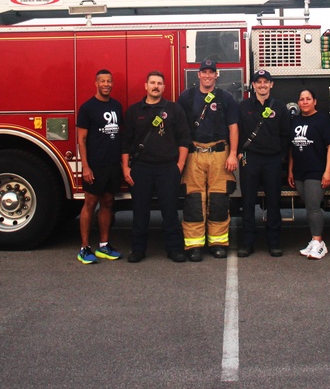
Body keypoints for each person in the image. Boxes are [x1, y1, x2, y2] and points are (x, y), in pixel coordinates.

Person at [121, 71, 190, 264]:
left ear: (164, 87)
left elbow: (184, 138)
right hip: (141, 168)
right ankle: (138, 249)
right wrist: (126, 168)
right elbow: (125, 142)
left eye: (159, 83)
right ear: (146, 86)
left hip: (168, 168)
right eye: (152, 83)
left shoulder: (174, 109)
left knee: (170, 211)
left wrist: (180, 165)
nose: (156, 86)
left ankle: (174, 249)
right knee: (139, 211)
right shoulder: (134, 111)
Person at [178, 59, 240, 261]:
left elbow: (233, 127)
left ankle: (218, 243)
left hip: (220, 154)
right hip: (194, 154)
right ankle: (194, 245)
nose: (207, 75)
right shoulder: (187, 97)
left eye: (211, 72)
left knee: (219, 199)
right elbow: (179, 129)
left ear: (216, 75)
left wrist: (232, 154)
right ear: (198, 75)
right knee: (194, 200)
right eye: (203, 72)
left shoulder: (225, 98)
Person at [237, 69, 292, 257]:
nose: (262, 85)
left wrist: (281, 156)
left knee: (273, 202)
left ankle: (274, 243)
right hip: (250, 159)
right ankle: (247, 243)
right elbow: (237, 131)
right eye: (258, 82)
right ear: (253, 85)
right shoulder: (243, 107)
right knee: (248, 201)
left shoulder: (280, 107)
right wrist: (237, 153)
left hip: (272, 160)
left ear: (271, 84)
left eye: (265, 82)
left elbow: (286, 135)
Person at [76, 69, 124, 264]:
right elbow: (82, 139)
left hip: (112, 165)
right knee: (90, 203)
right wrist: (86, 167)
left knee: (108, 203)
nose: (106, 84)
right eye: (102, 81)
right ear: (96, 83)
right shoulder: (87, 108)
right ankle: (85, 248)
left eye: (109, 81)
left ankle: (104, 246)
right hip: (95, 166)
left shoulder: (117, 106)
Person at [287, 88, 330, 260]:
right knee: (309, 206)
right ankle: (314, 240)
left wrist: (328, 171)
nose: (305, 102)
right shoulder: (295, 120)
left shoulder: (322, 120)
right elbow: (292, 147)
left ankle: (319, 242)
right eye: (302, 99)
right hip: (300, 171)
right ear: (298, 103)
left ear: (314, 101)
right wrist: (290, 170)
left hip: (316, 171)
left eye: (308, 99)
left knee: (314, 207)